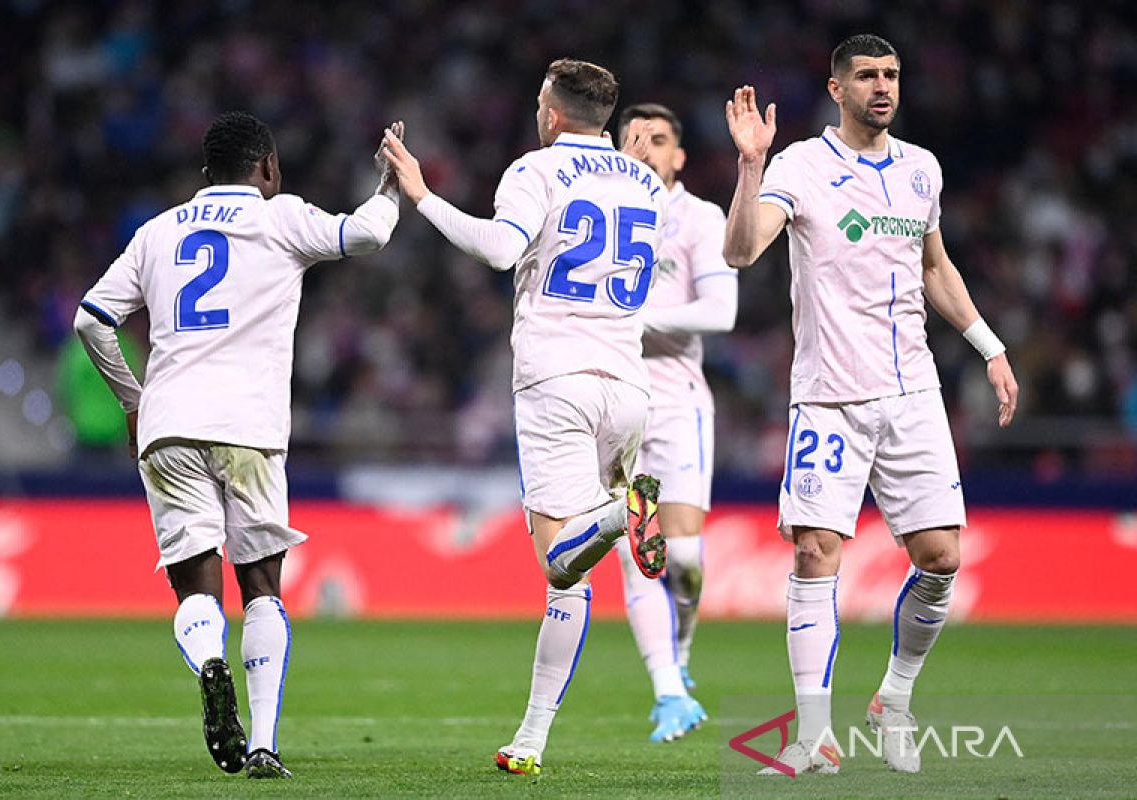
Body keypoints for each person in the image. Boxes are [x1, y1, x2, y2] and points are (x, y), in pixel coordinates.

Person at [722, 34, 1019, 775]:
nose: (882, 86)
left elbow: (934, 266)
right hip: (828, 398)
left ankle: (894, 695)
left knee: (942, 557)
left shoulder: (922, 169)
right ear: (836, 88)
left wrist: (990, 347)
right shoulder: (800, 166)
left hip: (913, 392)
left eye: (890, 75)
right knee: (816, 550)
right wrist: (751, 165)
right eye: (866, 76)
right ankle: (813, 738)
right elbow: (740, 251)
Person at [74, 111, 401, 779]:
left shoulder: (158, 233)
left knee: (196, 586)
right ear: (270, 169)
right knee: (260, 587)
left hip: (168, 425)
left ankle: (209, 661)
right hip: (249, 428)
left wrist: (134, 401)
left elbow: (92, 319)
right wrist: (391, 185)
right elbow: (367, 233)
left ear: (205, 176)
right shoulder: (282, 220)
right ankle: (263, 744)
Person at [380, 58, 669, 776]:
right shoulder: (647, 184)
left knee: (558, 561)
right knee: (569, 581)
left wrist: (422, 195)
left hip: (556, 380)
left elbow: (502, 249)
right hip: (630, 386)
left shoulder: (535, 170)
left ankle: (613, 516)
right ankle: (531, 739)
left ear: (554, 112)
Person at [613, 103, 737, 743]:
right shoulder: (601, 208)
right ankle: (666, 690)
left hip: (678, 401)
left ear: (678, 155)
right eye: (635, 138)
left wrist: (641, 320)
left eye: (658, 139)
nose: (646, 148)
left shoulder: (699, 217)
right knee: (640, 555)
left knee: (683, 557)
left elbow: (721, 312)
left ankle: (681, 653)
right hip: (612, 403)